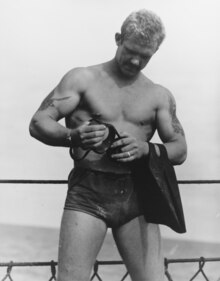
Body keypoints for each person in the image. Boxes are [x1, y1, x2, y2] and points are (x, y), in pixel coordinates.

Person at [29, 9, 187, 281]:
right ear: (118, 39)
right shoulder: (82, 79)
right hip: (88, 193)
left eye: (146, 56)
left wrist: (147, 149)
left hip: (137, 194)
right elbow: (39, 122)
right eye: (131, 50)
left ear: (155, 52)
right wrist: (74, 136)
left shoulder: (158, 95)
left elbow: (180, 149)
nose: (136, 60)